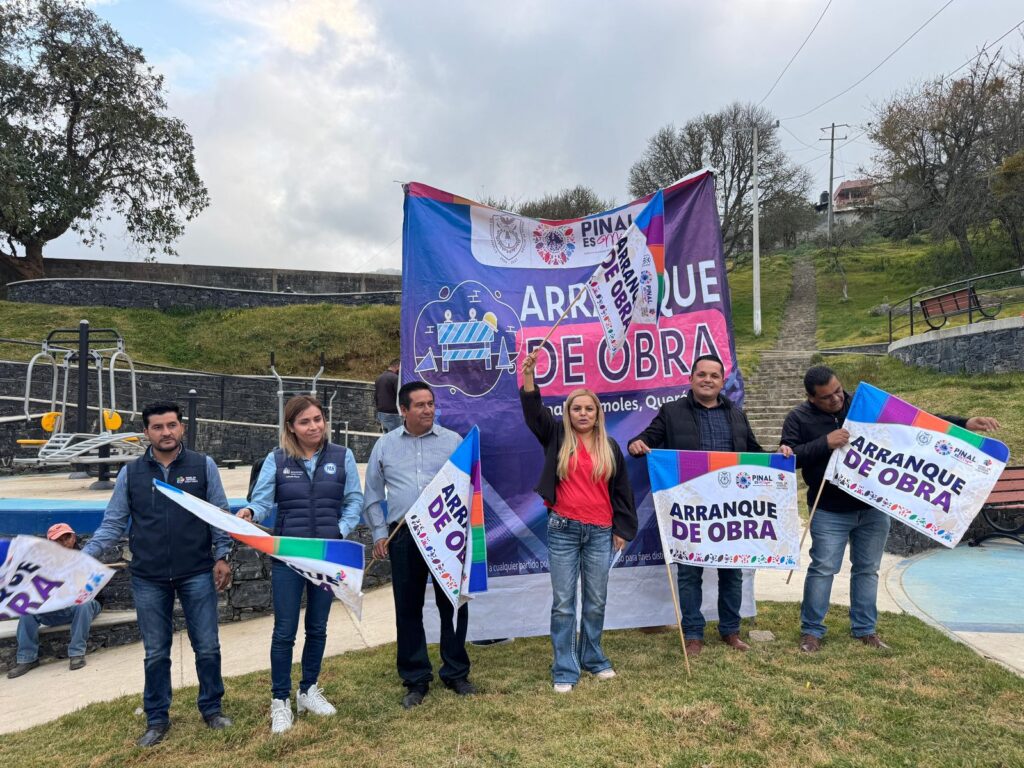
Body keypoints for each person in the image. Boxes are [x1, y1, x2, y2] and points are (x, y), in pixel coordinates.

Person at [781, 365, 1000, 653]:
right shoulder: (797, 418)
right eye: (826, 397)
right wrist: (825, 443)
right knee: (823, 569)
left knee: (868, 570)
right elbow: (789, 458)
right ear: (811, 398)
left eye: (838, 390)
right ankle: (811, 632)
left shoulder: (864, 404)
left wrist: (965, 423)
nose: (836, 399)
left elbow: (918, 423)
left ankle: (865, 629)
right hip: (829, 510)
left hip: (873, 507)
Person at [83, 402, 233, 747]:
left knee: (207, 647)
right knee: (156, 652)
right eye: (158, 427)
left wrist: (222, 555)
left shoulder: (203, 465)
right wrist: (84, 557)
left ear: (181, 427)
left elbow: (219, 515)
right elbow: (113, 523)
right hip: (148, 576)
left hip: (196, 571)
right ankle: (156, 718)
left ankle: (212, 709)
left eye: (171, 425)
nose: (166, 432)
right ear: (146, 433)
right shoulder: (131, 473)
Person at [628, 355, 791, 656]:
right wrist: (636, 444)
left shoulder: (737, 415)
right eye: (701, 374)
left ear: (722, 382)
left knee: (732, 572)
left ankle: (731, 630)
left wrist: (777, 456)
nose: (707, 380)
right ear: (691, 379)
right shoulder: (671, 412)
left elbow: (754, 454)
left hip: (732, 509)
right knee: (690, 573)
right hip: (690, 508)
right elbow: (645, 440)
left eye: (714, 376)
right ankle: (693, 634)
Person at [236, 395, 363, 734]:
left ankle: (308, 690)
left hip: (325, 556)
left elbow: (354, 500)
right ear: (291, 427)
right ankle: (280, 700)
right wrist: (250, 511)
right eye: (305, 421)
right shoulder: (277, 459)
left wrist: (340, 530)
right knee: (284, 631)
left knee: (318, 627)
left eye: (318, 419)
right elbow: (262, 501)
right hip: (289, 556)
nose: (314, 426)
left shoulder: (343, 456)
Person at [520, 351, 637, 693]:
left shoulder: (609, 446)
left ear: (598, 414)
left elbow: (622, 490)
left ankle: (593, 657)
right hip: (563, 530)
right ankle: (565, 668)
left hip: (601, 532)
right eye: (576, 408)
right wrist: (529, 375)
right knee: (564, 603)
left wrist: (622, 529)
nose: (583, 414)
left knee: (596, 600)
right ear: (567, 412)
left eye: (589, 409)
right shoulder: (556, 436)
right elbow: (533, 413)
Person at [364, 381, 477, 709]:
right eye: (420, 405)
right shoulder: (384, 446)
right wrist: (379, 534)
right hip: (403, 536)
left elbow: (468, 487)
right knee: (408, 608)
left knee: (452, 605)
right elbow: (372, 495)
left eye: (431, 403)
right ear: (403, 410)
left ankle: (456, 672)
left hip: (445, 534)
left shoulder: (453, 442)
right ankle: (415, 679)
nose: (428, 410)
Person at [6, 523, 104, 678]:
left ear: (73, 538)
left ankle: (77, 653)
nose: (63, 542)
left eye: (66, 538)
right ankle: (27, 658)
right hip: (56, 608)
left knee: (83, 604)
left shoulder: (86, 556)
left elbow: (92, 590)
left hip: (84, 606)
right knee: (27, 609)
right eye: (58, 540)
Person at [374, 359, 402, 433]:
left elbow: (376, 396)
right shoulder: (395, 378)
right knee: (395, 436)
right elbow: (400, 395)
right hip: (393, 414)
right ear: (398, 366)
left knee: (386, 436)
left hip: (381, 413)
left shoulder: (379, 377)